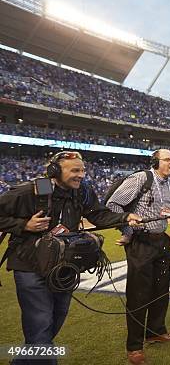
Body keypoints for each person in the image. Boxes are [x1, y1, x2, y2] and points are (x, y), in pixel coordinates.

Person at [0, 151, 141, 365]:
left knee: (55, 319)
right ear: (55, 171)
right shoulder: (34, 190)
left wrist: (124, 217)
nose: (81, 175)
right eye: (75, 170)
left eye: (83, 170)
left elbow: (98, 215)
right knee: (41, 324)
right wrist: (23, 225)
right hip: (30, 266)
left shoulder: (82, 191)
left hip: (63, 268)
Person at [106, 149, 170, 365]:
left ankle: (156, 331)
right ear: (155, 161)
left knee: (161, 290)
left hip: (161, 240)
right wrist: (127, 224)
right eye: (168, 159)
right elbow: (113, 204)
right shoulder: (141, 178)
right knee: (139, 294)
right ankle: (134, 346)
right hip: (141, 241)